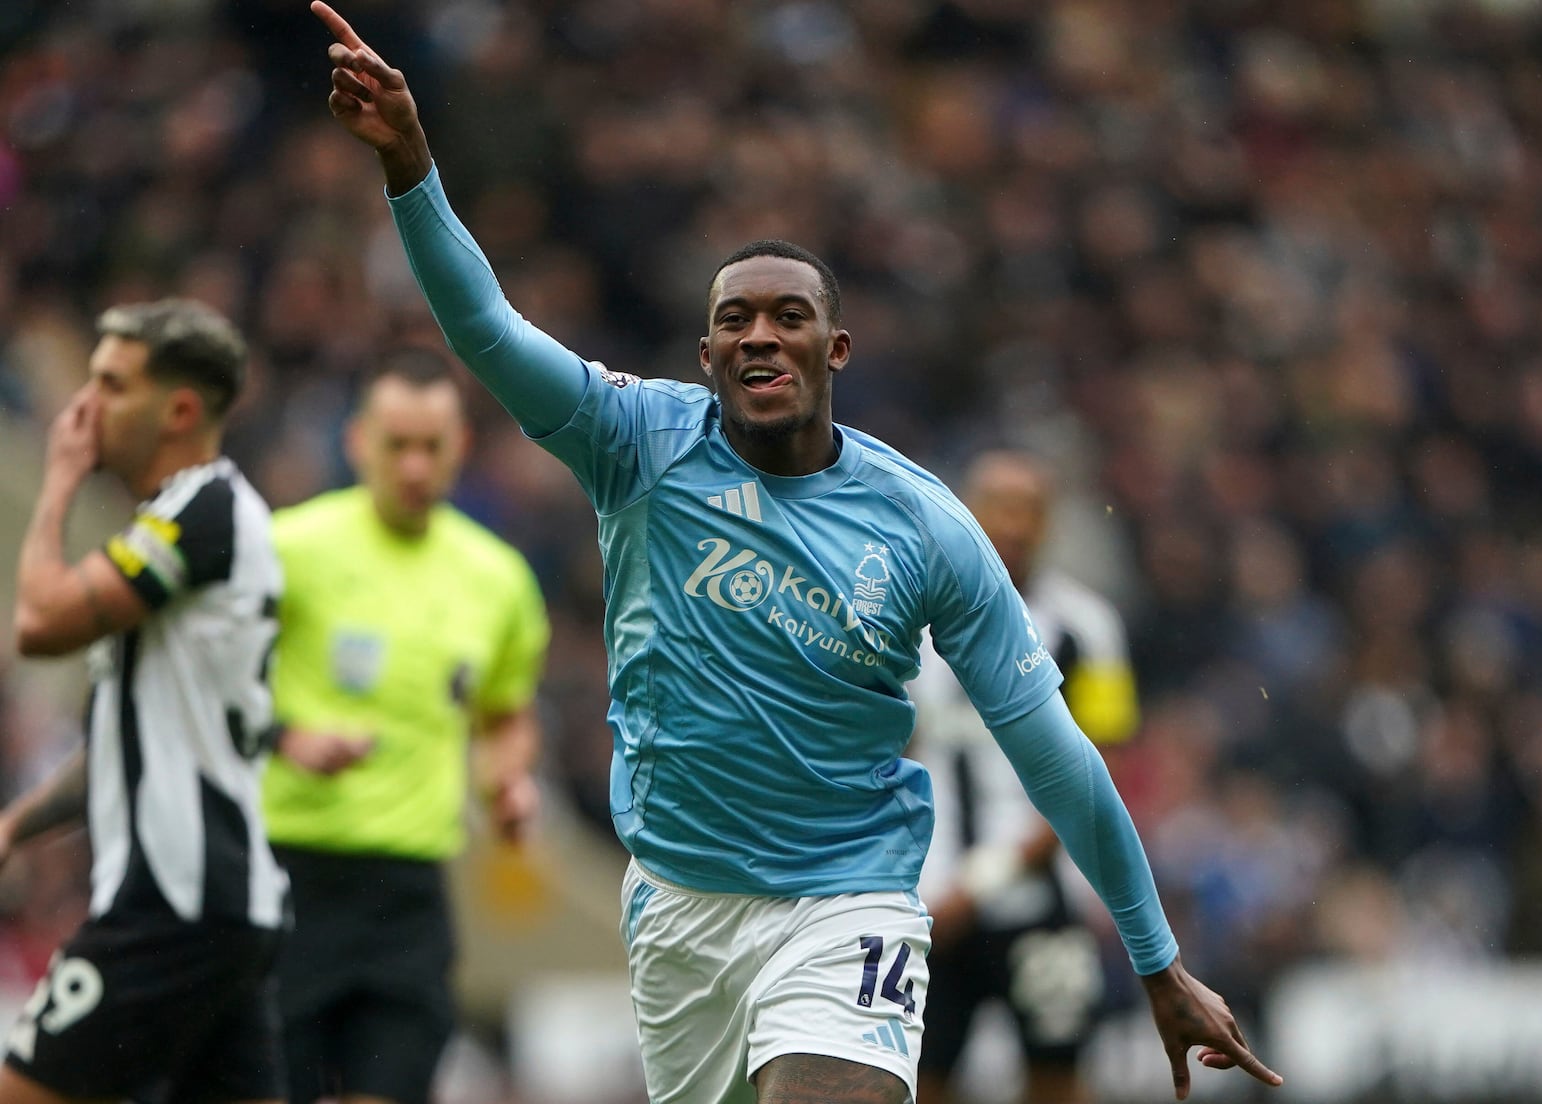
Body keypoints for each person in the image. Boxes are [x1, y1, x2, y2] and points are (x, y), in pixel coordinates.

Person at [308, 5, 1284, 1101]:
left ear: (837, 347)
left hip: (847, 900)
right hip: (677, 907)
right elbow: (484, 326)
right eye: (734, 319)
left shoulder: (922, 526)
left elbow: (1055, 754)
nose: (758, 334)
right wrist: (411, 165)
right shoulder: (634, 441)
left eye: (786, 316)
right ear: (705, 350)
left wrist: (1156, 960)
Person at [0, 298, 287, 1104]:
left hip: (173, 909)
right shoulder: (180, 522)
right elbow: (129, 744)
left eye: (112, 384)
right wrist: (18, 825)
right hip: (224, 912)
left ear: (181, 410)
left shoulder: (205, 510)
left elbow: (38, 622)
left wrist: (55, 482)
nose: (84, 407)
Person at [262, 346, 550, 1104]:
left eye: (433, 446)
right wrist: (288, 738)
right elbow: (215, 686)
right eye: (398, 445)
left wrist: (508, 779)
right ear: (359, 442)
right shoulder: (290, 549)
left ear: (460, 447)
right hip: (289, 880)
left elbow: (505, 716)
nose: (416, 466)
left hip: (409, 898)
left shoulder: (498, 581)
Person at [910, 450, 1141, 1104]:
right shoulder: (909, 616)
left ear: (1049, 523)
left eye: (1029, 509)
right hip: (928, 903)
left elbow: (1100, 777)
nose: (1012, 523)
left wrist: (982, 882)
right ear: (965, 513)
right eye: (998, 505)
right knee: (920, 1081)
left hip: (1041, 904)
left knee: (1058, 1080)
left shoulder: (1089, 627)